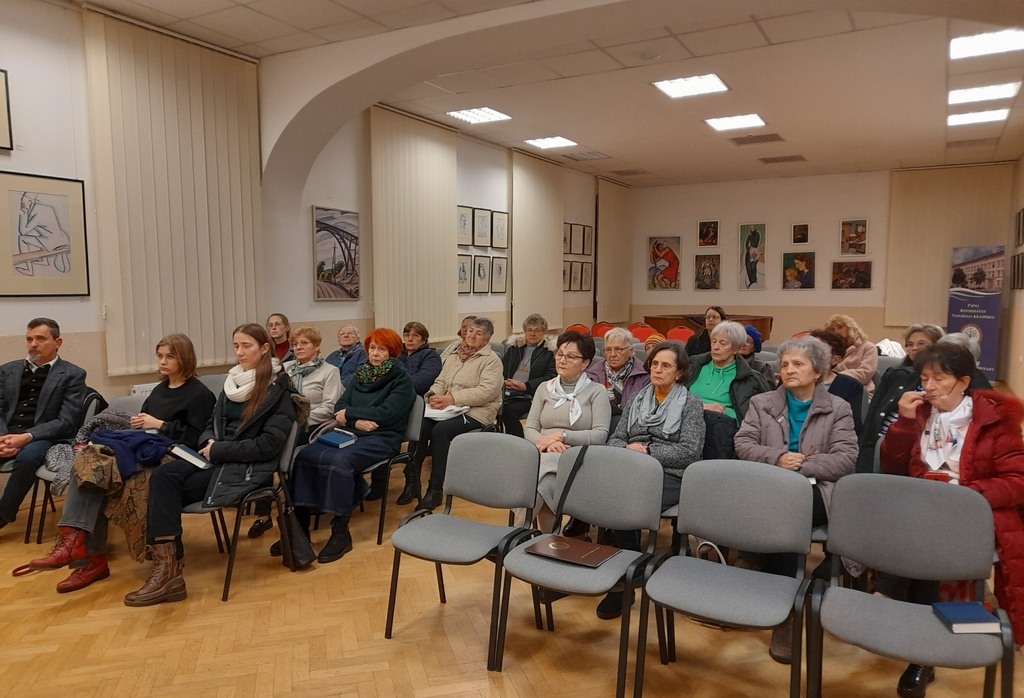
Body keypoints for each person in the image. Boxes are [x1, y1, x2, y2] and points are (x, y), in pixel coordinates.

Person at [879, 343, 1024, 697]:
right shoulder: (919, 413)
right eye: (924, 378)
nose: (929, 386)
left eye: (939, 378)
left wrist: (966, 492)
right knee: (916, 533)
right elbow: (892, 465)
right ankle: (918, 646)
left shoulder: (994, 420)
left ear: (963, 382)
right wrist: (904, 423)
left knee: (925, 544)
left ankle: (906, 629)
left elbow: (1017, 481)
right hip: (924, 508)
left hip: (976, 512)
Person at [123, 323, 301, 607]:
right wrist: (208, 442)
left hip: (245, 467)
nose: (239, 352)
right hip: (215, 458)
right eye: (236, 346)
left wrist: (218, 448)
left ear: (264, 349)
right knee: (162, 475)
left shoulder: (277, 390)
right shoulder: (233, 384)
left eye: (247, 346)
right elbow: (210, 424)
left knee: (163, 488)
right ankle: (169, 569)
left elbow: (268, 445)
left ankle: (168, 572)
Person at [28, 334, 216, 593]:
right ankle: (77, 546)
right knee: (89, 467)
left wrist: (160, 425)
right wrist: (140, 424)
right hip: (144, 448)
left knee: (104, 477)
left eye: (170, 356)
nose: (162, 361)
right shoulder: (160, 390)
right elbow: (145, 427)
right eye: (160, 356)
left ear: (185, 358)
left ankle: (92, 558)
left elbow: (196, 438)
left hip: (174, 454)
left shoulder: (199, 393)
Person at [734, 336, 857, 664]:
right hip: (769, 487)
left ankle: (765, 588)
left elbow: (845, 459)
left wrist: (800, 465)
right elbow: (743, 444)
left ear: (818, 371)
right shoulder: (762, 403)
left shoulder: (838, 408)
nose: (789, 370)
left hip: (817, 491)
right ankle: (783, 609)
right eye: (785, 364)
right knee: (783, 509)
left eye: (798, 364)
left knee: (790, 510)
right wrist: (777, 457)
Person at [286, 328, 415, 563]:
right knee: (304, 456)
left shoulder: (402, 380)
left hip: (382, 437)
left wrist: (349, 415)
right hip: (350, 431)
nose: (375, 353)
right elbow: (339, 406)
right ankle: (300, 527)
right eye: (372, 348)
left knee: (340, 461)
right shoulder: (361, 374)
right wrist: (356, 421)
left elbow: (386, 413)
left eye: (382, 349)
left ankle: (340, 531)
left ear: (393, 352)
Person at [248, 325, 343, 538]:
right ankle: (263, 514)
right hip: (283, 423)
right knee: (261, 446)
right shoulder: (286, 368)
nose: (298, 347)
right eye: (295, 344)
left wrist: (298, 420)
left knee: (273, 448)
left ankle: (292, 514)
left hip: (310, 425)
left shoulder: (330, 371)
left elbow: (329, 407)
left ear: (316, 346)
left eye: (304, 343)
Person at [0, 318, 87, 531]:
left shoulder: (73, 374)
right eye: (29, 339)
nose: (33, 344)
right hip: (7, 433)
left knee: (28, 458)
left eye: (40, 338)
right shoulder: (7, 370)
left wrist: (26, 437)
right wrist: (2, 438)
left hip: (44, 436)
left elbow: (66, 421)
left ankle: (2, 516)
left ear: (58, 342)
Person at [522, 330, 610, 530]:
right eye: (559, 354)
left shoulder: (597, 391)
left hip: (577, 456)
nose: (562, 360)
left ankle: (516, 531)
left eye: (570, 357)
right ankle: (549, 539)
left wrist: (562, 436)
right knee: (546, 483)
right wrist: (548, 443)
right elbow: (530, 428)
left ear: (585, 363)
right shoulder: (544, 388)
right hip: (543, 452)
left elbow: (600, 434)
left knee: (537, 477)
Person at [413, 317, 503, 511]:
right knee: (421, 425)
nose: (472, 335)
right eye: (470, 331)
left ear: (487, 339)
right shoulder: (454, 355)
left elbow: (486, 392)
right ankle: (412, 480)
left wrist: (452, 398)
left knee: (441, 431)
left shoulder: (491, 360)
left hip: (478, 411)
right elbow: (440, 381)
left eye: (478, 333)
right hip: (449, 408)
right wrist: (434, 395)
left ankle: (435, 489)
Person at [856, 324, 947, 473]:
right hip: (883, 443)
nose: (914, 348)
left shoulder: (947, 381)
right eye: (910, 344)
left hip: (922, 448)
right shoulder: (895, 374)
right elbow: (873, 417)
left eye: (921, 343)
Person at [686, 320, 773, 425]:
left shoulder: (751, 379)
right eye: (714, 341)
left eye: (722, 343)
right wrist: (702, 407)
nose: (716, 347)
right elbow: (674, 400)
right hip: (686, 424)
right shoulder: (692, 366)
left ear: (736, 349)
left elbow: (757, 417)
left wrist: (723, 413)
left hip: (725, 429)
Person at [501, 314, 556, 438]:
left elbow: (551, 377)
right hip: (507, 391)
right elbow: (500, 370)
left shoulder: (549, 352)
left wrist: (526, 386)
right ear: (524, 331)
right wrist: (504, 381)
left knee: (508, 409)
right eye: (529, 330)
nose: (533, 334)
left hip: (530, 395)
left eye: (537, 330)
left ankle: (517, 440)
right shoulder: (514, 349)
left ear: (544, 332)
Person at [584, 327, 650, 419]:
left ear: (630, 351)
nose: (612, 355)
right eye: (608, 349)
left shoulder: (645, 376)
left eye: (618, 349)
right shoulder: (592, 375)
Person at [808, 329, 864, 435]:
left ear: (835, 359)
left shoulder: (850, 386)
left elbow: (852, 426)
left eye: (818, 351)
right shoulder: (791, 378)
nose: (810, 355)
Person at [825, 314, 877, 394]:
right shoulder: (829, 348)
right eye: (832, 329)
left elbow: (865, 373)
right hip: (830, 388)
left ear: (850, 328)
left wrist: (838, 377)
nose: (836, 331)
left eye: (840, 327)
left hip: (859, 390)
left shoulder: (868, 347)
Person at [397, 321, 442, 396]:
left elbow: (423, 380)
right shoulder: (396, 353)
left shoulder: (430, 355)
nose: (410, 339)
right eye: (407, 335)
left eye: (415, 335)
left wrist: (397, 387)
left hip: (414, 395)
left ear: (424, 340)